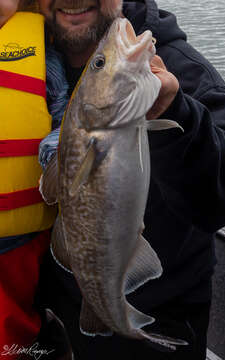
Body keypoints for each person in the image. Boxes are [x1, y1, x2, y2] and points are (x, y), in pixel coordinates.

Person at [36, 0, 225, 359]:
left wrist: (177, 114)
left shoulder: (174, 65)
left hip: (160, 327)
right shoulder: (26, 58)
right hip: (54, 318)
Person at [0, 0, 69, 357]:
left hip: (20, 239)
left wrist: (55, 147)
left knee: (13, 327)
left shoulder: (44, 56)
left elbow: (64, 119)